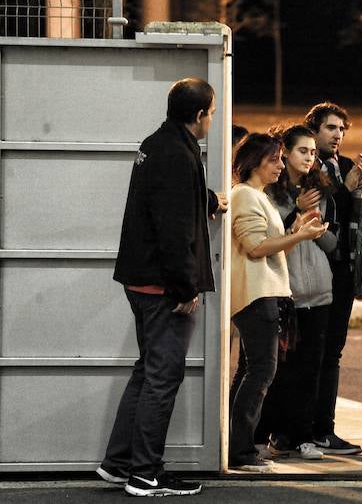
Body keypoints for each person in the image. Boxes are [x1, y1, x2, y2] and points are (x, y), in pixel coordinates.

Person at [98, 78, 226, 497]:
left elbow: (166, 200)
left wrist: (207, 200)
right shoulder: (176, 153)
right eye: (211, 111)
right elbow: (172, 229)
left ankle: (119, 464)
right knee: (161, 378)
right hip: (162, 288)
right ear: (200, 114)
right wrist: (185, 288)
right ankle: (145, 474)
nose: (213, 118)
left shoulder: (158, 143)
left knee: (146, 372)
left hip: (142, 281)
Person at [230, 133, 328, 471]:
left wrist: (295, 230)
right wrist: (299, 235)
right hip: (257, 294)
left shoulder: (258, 196)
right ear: (256, 161)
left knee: (256, 370)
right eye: (275, 159)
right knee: (260, 370)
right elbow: (255, 247)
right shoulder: (245, 195)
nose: (281, 165)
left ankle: (241, 446)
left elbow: (273, 246)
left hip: (268, 291)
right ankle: (241, 450)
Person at [262, 125, 337, 460]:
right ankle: (278, 433)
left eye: (312, 152)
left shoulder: (321, 192)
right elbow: (273, 243)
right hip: (286, 293)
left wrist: (315, 227)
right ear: (285, 153)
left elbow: (333, 244)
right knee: (281, 369)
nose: (309, 157)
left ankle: (305, 435)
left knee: (311, 368)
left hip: (319, 292)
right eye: (302, 151)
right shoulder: (270, 195)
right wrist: (296, 211)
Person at [303, 102, 362, 455]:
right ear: (314, 130)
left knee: (333, 352)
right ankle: (309, 429)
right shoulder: (308, 168)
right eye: (330, 128)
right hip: (315, 268)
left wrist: (359, 188)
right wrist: (346, 189)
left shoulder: (345, 167)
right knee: (313, 351)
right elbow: (323, 216)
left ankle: (322, 427)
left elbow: (358, 220)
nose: (338, 135)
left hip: (342, 268)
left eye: (342, 129)